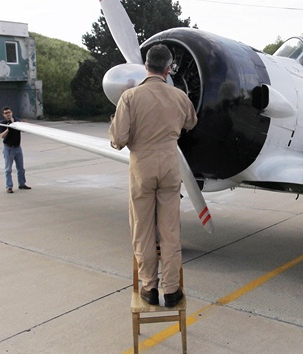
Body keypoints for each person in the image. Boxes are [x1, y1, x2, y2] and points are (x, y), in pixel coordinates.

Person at [109, 44, 197, 307]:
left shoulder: (130, 97)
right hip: (170, 166)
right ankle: (171, 291)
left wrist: (116, 122)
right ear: (168, 69)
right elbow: (191, 123)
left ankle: (149, 288)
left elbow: (119, 140)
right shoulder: (179, 97)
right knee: (170, 232)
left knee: (143, 230)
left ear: (146, 66)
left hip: (142, 168)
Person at [0, 106, 31, 194]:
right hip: (8, 148)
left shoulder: (17, 121)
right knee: (8, 169)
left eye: (9, 112)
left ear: (11, 112)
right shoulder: (3, 123)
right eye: (6, 113)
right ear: (3, 115)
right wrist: (8, 129)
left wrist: (25, 125)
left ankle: (22, 184)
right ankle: (9, 186)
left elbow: (23, 130)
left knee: (21, 168)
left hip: (18, 148)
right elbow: (1, 136)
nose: (8, 114)